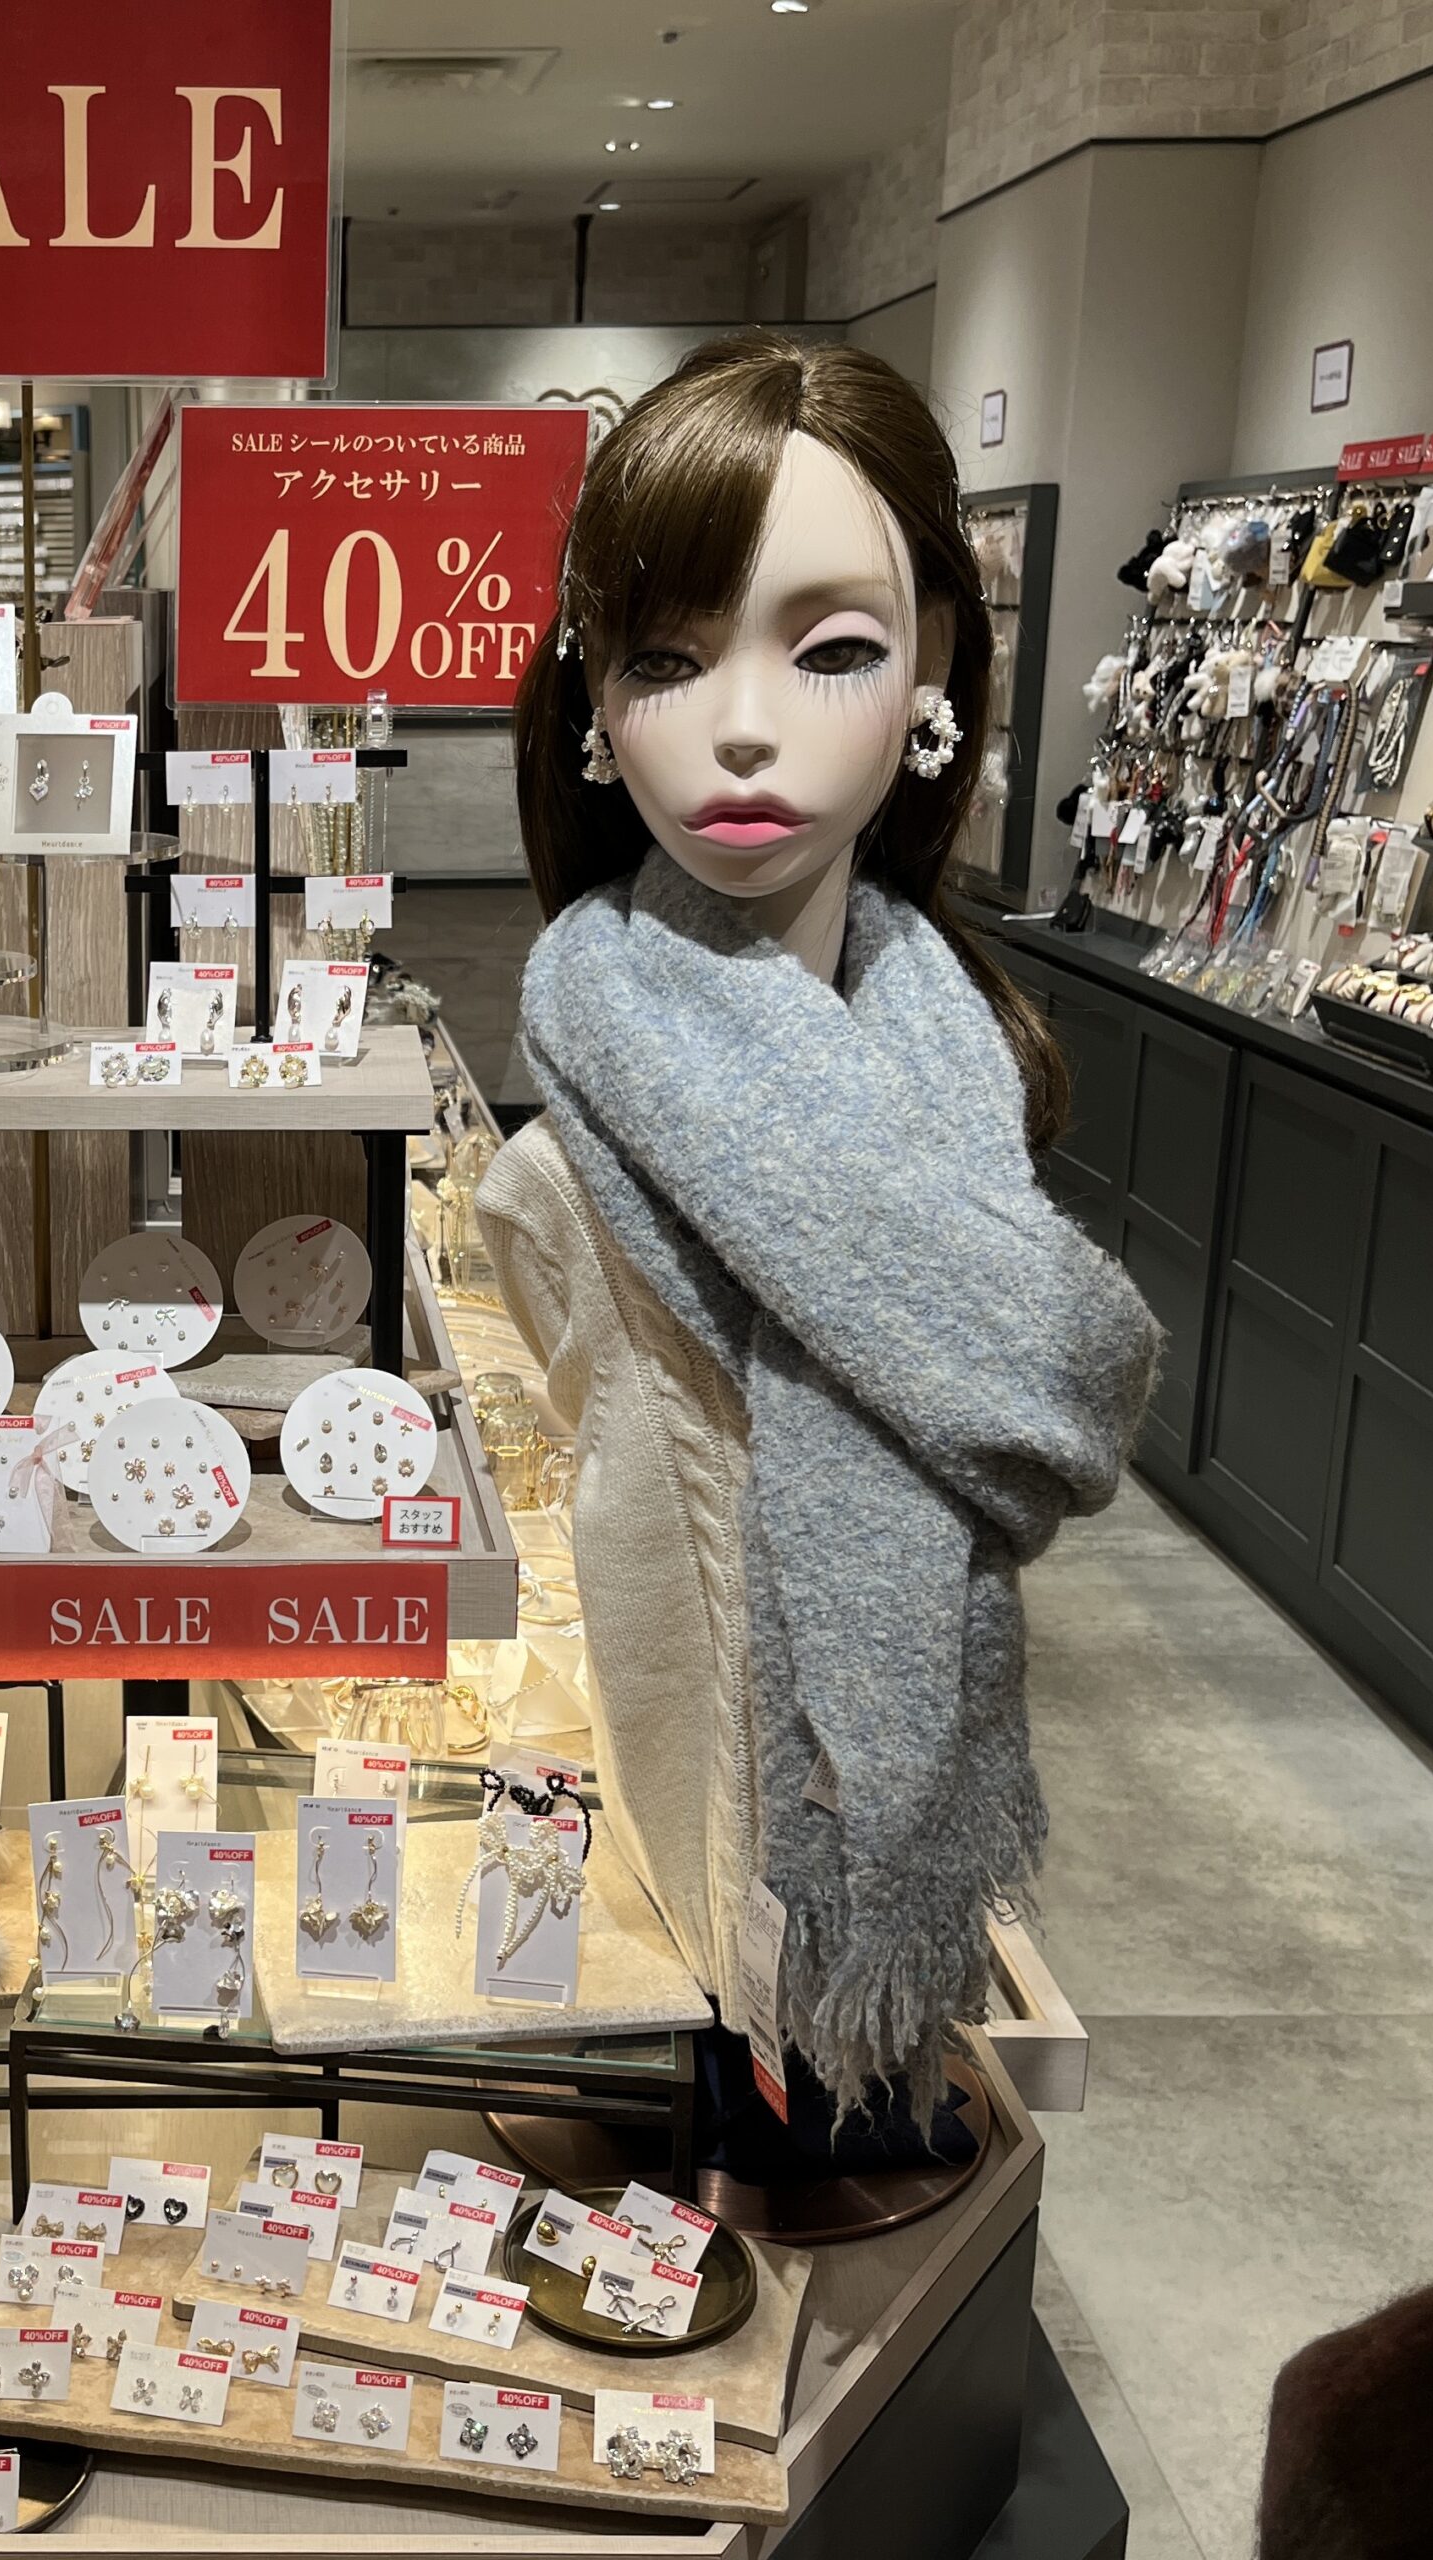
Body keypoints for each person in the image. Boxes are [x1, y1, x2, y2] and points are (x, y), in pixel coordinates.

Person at [477, 337, 1159, 2163]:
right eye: (667, 659)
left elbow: (1046, 1404)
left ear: (935, 669)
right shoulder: (557, 1168)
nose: (744, 728)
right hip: (687, 1826)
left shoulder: (958, 1071)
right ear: (593, 700)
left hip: (852, 1880)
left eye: (832, 648)